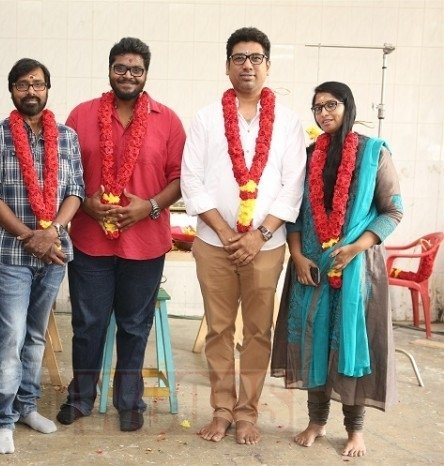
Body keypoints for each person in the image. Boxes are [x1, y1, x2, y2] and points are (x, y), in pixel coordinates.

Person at [180, 27, 306, 445]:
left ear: (268, 65)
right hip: (213, 244)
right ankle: (221, 410)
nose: (247, 65)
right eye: (239, 58)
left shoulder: (288, 122)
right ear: (227, 66)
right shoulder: (206, 119)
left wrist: (259, 234)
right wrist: (225, 230)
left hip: (266, 246)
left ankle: (247, 413)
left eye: (255, 58)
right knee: (218, 329)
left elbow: (293, 186)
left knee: (257, 331)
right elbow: (191, 181)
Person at [57, 37, 186, 432]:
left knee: (134, 326)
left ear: (146, 74)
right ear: (110, 69)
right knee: (88, 324)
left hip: (145, 242)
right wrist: (86, 204)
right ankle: (80, 397)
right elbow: (64, 172)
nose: (128, 75)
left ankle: (129, 402)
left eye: (136, 69)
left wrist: (149, 206)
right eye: (121, 68)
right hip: (90, 239)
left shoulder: (168, 120)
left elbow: (180, 179)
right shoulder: (81, 115)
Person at [271, 81, 402, 457]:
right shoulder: (309, 155)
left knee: (349, 344)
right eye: (317, 107)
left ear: (349, 107)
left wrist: (356, 248)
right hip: (311, 269)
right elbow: (294, 215)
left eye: (331, 105)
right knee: (312, 343)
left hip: (357, 270)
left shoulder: (374, 153)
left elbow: (393, 210)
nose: (324, 113)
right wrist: (297, 257)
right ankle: (316, 421)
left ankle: (355, 430)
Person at [0, 58, 84, 454]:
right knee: (11, 335)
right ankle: (1, 419)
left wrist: (51, 232)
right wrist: (29, 236)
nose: (31, 91)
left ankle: (26, 407)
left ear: (48, 89)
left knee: (36, 335)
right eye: (22, 84)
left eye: (38, 84)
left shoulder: (67, 137)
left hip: (54, 253)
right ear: (11, 90)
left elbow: (76, 191)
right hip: (12, 253)